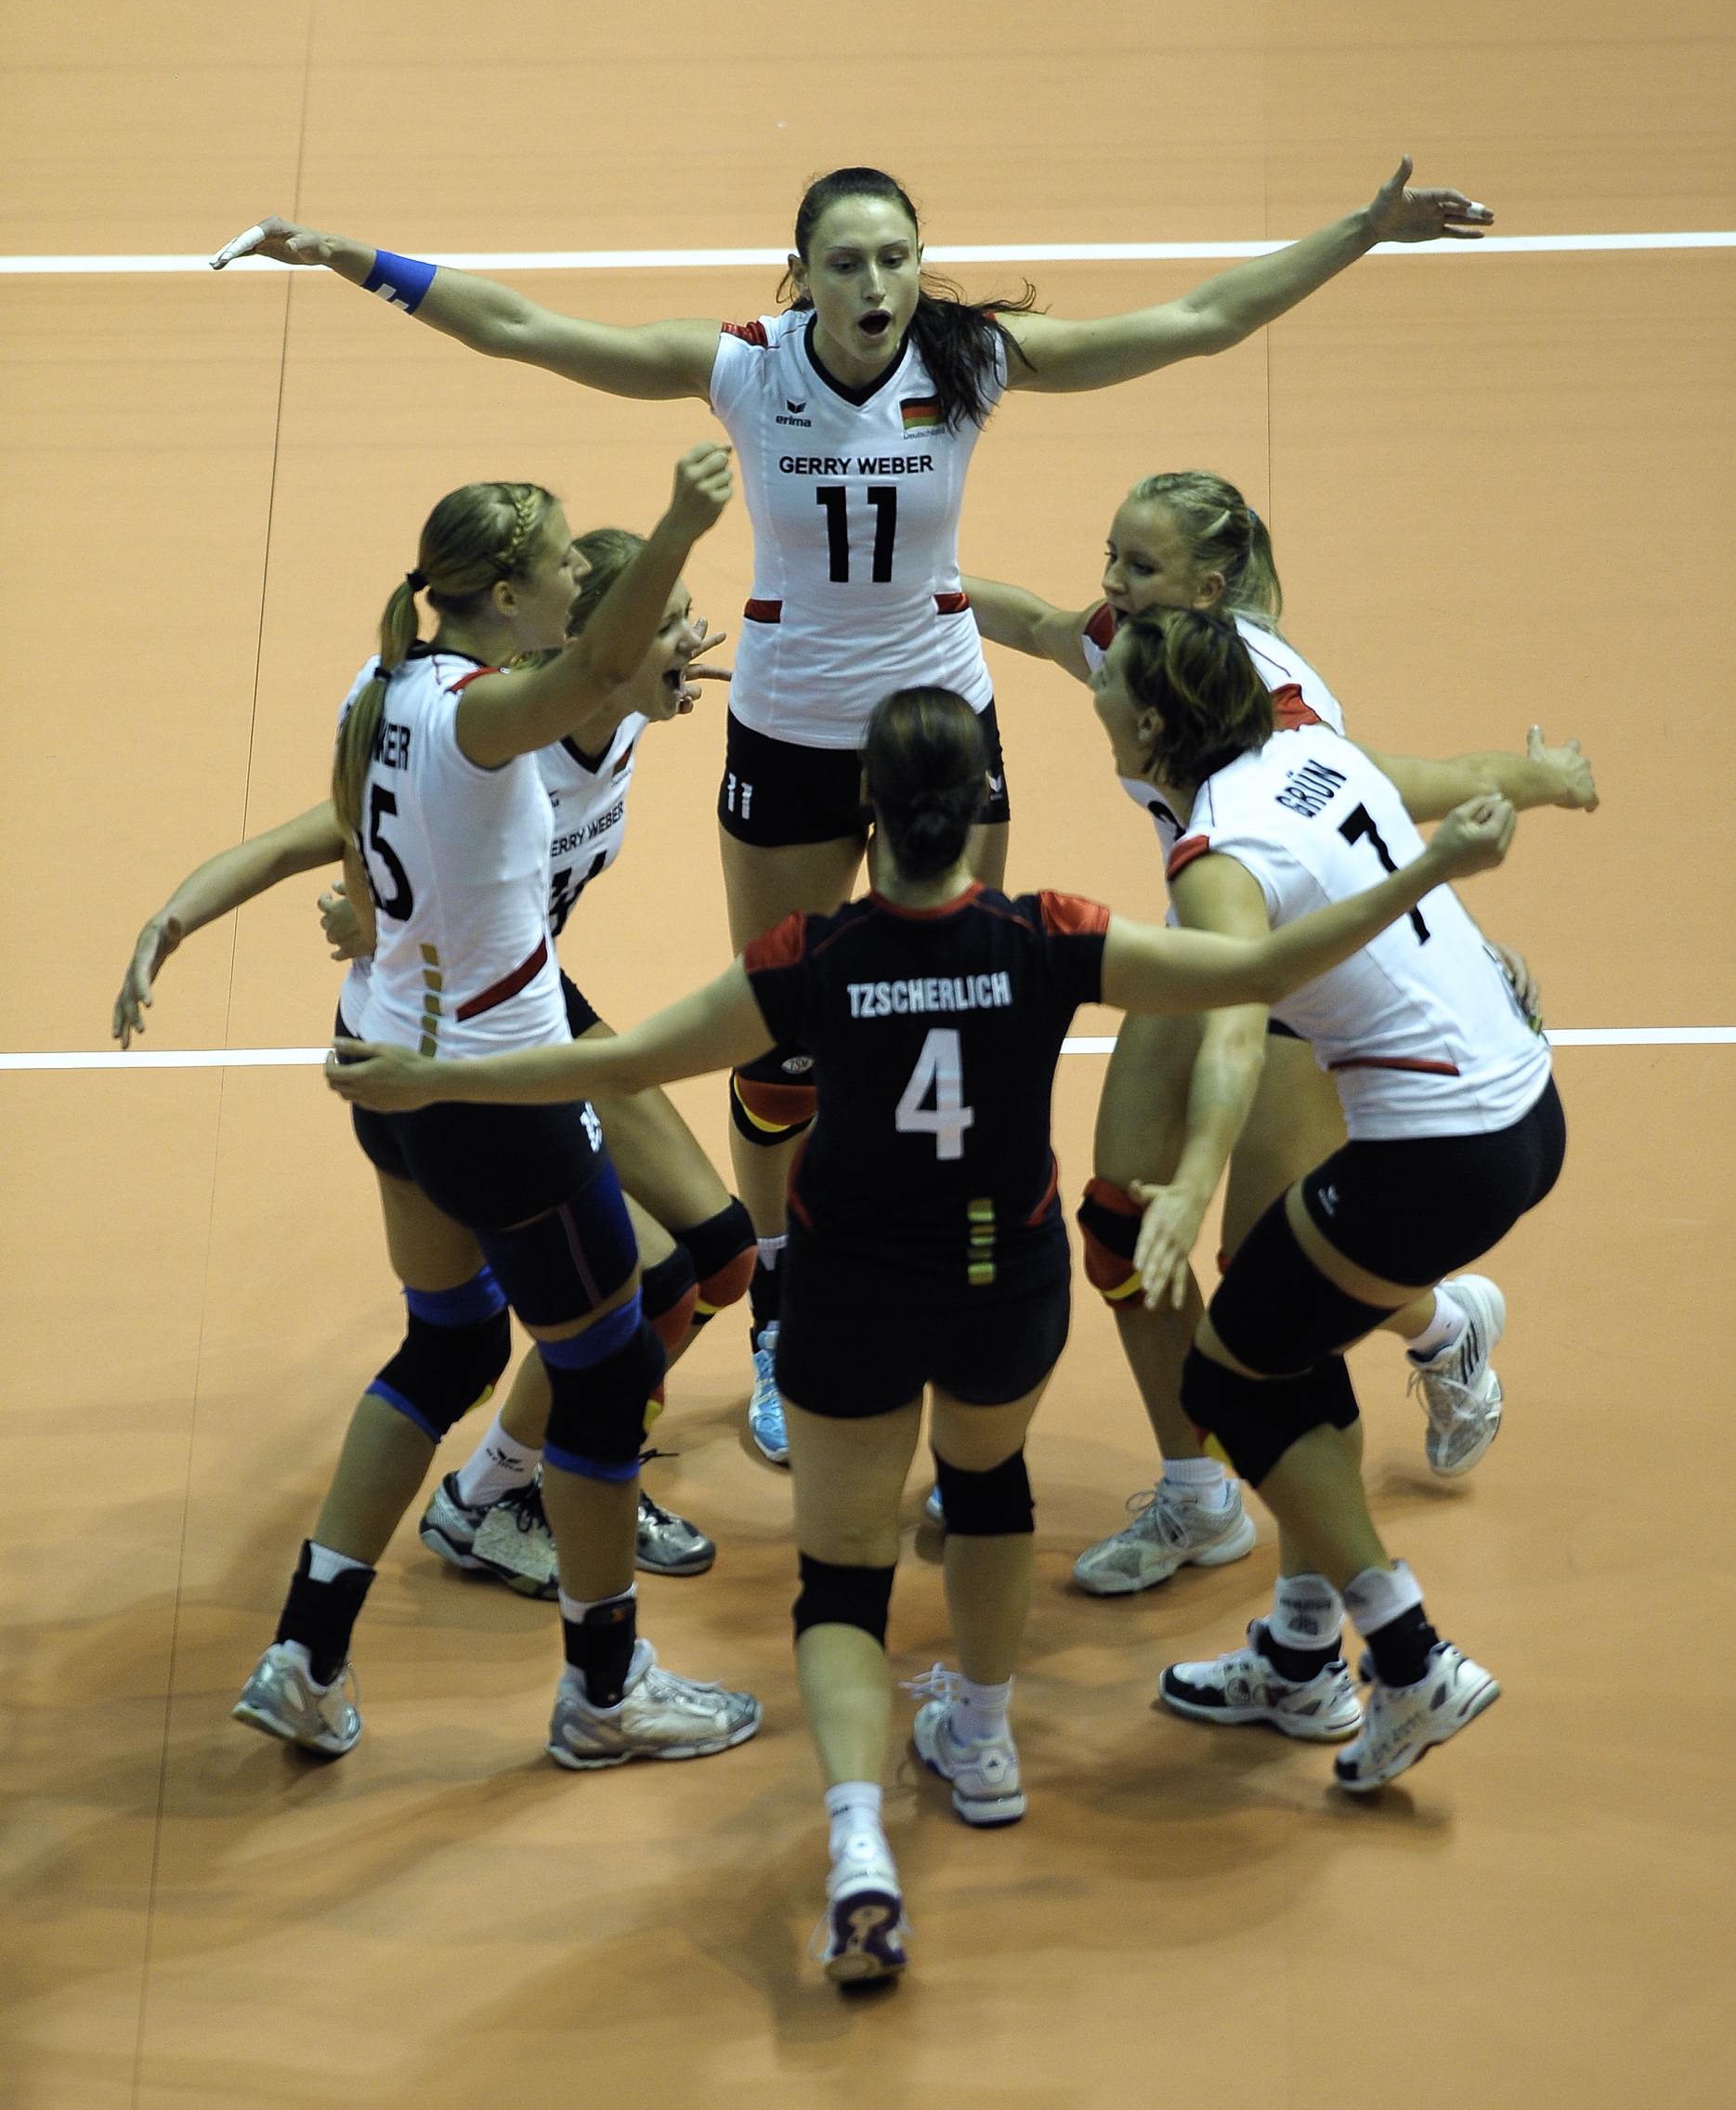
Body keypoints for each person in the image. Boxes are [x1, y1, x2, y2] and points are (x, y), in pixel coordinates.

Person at [212, 155, 1495, 1457]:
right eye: (846, 262)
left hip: (939, 725)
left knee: (972, 1011)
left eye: (895, 257)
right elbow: (528, 329)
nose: (876, 283)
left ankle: (963, 1297)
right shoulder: (745, 368)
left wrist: (1362, 230)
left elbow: (1198, 324)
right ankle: (783, 1313)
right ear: (801, 274)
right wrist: (357, 262)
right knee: (781, 1048)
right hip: (790, 728)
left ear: (918, 264)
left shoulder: (971, 358)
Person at [326, 683, 1519, 1980]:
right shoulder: (1048, 932)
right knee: (988, 1488)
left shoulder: (809, 956)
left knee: (844, 1577)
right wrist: (1433, 865)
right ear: (973, 810)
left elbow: (615, 1065)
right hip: (1005, 1282)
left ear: (869, 810)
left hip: (850, 1294)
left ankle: (857, 1847)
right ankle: (986, 1744)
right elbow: (1261, 970)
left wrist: (434, 1074)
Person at [233, 443, 765, 1773]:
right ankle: (599, 1678)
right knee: (611, 1363)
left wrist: (218, 914)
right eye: (653, 622)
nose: (685, 644)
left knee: (501, 1329)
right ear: (549, 620)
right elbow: (379, 820)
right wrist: (683, 522)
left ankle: (311, 1645)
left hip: (433, 1044)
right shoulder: (505, 718)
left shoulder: (440, 689)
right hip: (491, 1065)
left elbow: (404, 820)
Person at [964, 470, 1596, 1591]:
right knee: (1121, 1227)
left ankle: (1435, 1340)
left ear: (1211, 590)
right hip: (1211, 938)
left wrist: (1498, 854)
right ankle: (1198, 1498)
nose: (1112, 584)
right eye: (1112, 557)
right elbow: (1040, 623)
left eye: (1141, 566)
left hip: (1302, 972)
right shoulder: (1123, 645)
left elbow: (1383, 793)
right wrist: (898, 583)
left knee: (1265, 1273)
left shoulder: (1271, 703)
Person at [112, 533, 752, 1589]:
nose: (692, 637)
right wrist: (222, 918)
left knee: (724, 1255)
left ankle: (521, 1479)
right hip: (460, 1038)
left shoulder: (625, 715)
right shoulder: (499, 746)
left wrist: (662, 679)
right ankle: (519, 1490)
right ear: (595, 647)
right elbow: (315, 838)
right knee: (656, 1288)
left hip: (535, 997)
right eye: (669, 620)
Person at [1080, 610, 1569, 1788]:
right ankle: (1303, 1656)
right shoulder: (1308, 748)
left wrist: (1192, 1180)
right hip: (1523, 1110)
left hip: (1436, 1152)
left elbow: (1235, 1034)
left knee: (1223, 1378)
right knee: (1285, 1345)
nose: (1097, 697)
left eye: (1114, 686)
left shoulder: (1218, 860)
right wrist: (1540, 785)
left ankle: (1409, 1657)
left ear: (1158, 723)